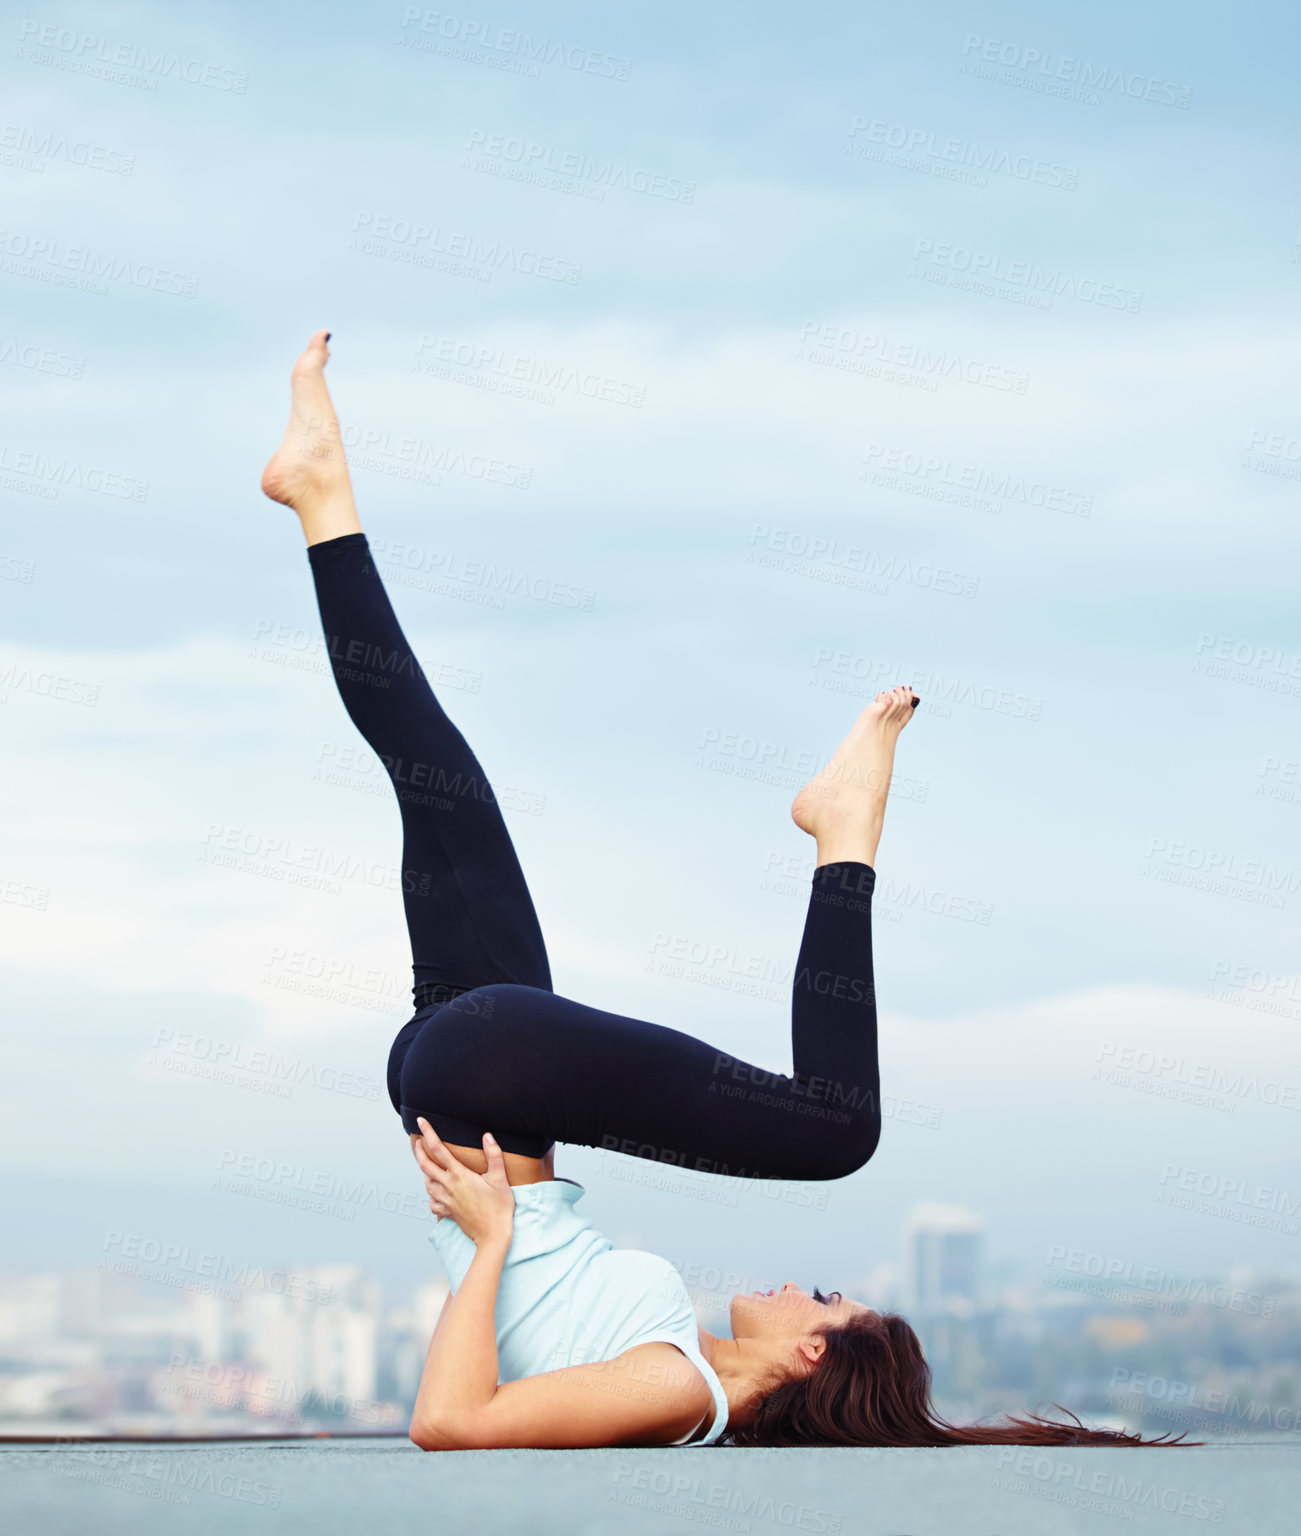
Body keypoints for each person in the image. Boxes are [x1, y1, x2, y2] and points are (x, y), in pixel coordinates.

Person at [261, 331, 1183, 1451]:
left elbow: (451, 1424)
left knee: (837, 1132)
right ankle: (321, 497)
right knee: (437, 776)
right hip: (471, 1092)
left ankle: (843, 842)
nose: (815, 1293)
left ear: (811, 1355)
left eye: (831, 1304)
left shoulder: (682, 1391)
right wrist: (502, 1218)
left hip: (482, 1075)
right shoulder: (685, 1366)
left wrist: (494, 1239)